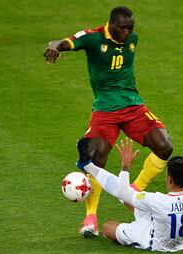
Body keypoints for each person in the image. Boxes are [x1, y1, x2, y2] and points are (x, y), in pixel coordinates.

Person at [44, 6, 173, 237]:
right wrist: (54, 46)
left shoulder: (133, 39)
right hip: (105, 110)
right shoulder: (93, 38)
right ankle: (91, 219)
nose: (127, 32)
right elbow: (65, 41)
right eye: (122, 27)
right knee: (95, 158)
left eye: (130, 27)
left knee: (165, 146)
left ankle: (134, 191)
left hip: (133, 106)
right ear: (111, 24)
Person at [76, 137, 183, 252]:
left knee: (108, 226)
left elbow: (122, 191)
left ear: (169, 179)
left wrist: (125, 166)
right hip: (174, 234)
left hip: (153, 242)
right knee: (129, 198)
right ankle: (87, 165)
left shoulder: (156, 200)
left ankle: (87, 166)